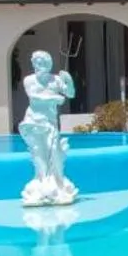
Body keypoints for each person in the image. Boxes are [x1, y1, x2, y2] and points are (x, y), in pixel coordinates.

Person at [18, 49, 79, 206]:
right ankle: (42, 181)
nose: (38, 65)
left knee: (55, 151)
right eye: (36, 63)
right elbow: (34, 97)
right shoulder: (29, 80)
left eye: (42, 62)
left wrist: (69, 81)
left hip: (50, 122)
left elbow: (70, 94)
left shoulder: (56, 80)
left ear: (49, 63)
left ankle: (56, 182)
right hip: (33, 121)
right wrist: (56, 98)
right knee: (38, 151)